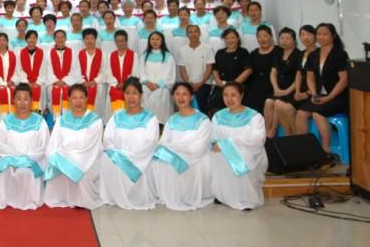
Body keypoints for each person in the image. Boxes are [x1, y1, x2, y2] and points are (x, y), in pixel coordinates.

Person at [150, 82, 213, 211]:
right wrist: (168, 149)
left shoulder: (202, 119)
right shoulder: (172, 119)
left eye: (185, 94)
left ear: (191, 97)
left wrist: (174, 150)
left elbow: (199, 146)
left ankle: (182, 195)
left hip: (195, 157)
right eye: (177, 94)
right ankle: (166, 194)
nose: (181, 97)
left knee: (171, 162)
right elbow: (163, 141)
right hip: (174, 153)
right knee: (156, 158)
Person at [100, 77, 160, 210]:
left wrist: (129, 157)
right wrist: (120, 156)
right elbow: (108, 140)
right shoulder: (116, 117)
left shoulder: (150, 118)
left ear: (141, 95)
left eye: (134, 93)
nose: (131, 97)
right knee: (104, 157)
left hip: (140, 161)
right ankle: (115, 194)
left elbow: (150, 143)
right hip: (119, 159)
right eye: (127, 93)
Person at [44, 84, 103, 209]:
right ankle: (62, 198)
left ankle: (81, 200)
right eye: (74, 98)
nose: (78, 101)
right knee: (56, 168)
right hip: (64, 160)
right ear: (69, 100)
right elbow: (53, 144)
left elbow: (91, 148)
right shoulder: (61, 120)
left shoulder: (95, 121)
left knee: (79, 173)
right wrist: (57, 158)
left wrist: (70, 159)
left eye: (81, 97)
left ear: (87, 99)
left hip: (87, 161)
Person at [210, 82, 268, 210]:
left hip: (248, 152)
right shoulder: (218, 116)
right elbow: (213, 138)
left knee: (236, 155)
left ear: (241, 96)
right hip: (223, 150)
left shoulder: (254, 117)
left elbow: (257, 140)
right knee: (211, 155)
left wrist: (229, 144)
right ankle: (222, 194)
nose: (229, 99)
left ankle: (246, 198)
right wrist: (216, 145)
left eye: (233, 95)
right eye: (225, 95)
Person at [0, 83, 50, 210]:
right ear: (13, 101)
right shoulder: (6, 122)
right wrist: (17, 159)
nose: (22, 103)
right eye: (19, 99)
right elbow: (0, 146)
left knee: (25, 172)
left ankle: (29, 200)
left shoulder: (40, 122)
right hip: (11, 160)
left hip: (33, 161)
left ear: (31, 101)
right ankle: (8, 199)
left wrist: (26, 160)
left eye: (26, 99)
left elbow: (43, 147)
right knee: (6, 170)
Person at [296, 23, 349, 154]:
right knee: (301, 113)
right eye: (319, 34)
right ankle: (304, 148)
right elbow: (310, 78)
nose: (321, 37)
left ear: (333, 36)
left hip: (337, 97)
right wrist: (314, 94)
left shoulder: (340, 54)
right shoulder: (313, 55)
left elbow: (344, 80)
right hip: (319, 95)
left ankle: (325, 150)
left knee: (317, 113)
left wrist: (329, 98)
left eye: (325, 34)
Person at [273, 26, 316, 135]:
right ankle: (288, 135)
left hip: (312, 92)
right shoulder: (302, 54)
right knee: (278, 103)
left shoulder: (318, 53)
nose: (305, 38)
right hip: (300, 91)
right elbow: (299, 74)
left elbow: (316, 79)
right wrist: (297, 91)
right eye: (303, 35)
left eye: (309, 35)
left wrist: (306, 93)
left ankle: (296, 136)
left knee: (287, 108)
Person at [138, 32, 176, 124]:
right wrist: (147, 83)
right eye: (152, 39)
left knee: (161, 94)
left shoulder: (168, 57)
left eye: (158, 39)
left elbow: (169, 75)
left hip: (162, 87)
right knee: (144, 93)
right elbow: (141, 72)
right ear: (149, 41)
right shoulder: (144, 56)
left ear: (162, 41)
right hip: (147, 86)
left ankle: (161, 124)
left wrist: (158, 85)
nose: (155, 41)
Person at [177, 25, 215, 115]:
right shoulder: (182, 50)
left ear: (200, 33)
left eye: (195, 31)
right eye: (190, 32)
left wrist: (201, 82)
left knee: (202, 103)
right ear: (187, 34)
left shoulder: (208, 48)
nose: (193, 34)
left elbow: (209, 68)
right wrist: (188, 83)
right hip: (189, 83)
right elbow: (182, 69)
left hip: (204, 83)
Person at [211, 29, 252, 112]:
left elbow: (248, 70)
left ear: (237, 38)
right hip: (222, 85)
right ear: (224, 40)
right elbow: (215, 70)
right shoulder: (220, 53)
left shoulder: (243, 52)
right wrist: (219, 82)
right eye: (227, 38)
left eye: (232, 37)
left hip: (239, 85)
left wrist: (234, 84)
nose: (230, 40)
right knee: (215, 103)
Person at [46, 30, 81, 120]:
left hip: (68, 84)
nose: (60, 39)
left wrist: (65, 81)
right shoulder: (48, 53)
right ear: (54, 39)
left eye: (62, 37)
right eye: (57, 37)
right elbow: (47, 70)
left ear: (66, 38)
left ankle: (68, 119)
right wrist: (56, 81)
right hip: (53, 84)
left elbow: (75, 70)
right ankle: (55, 120)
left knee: (68, 92)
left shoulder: (72, 53)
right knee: (52, 92)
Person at [245, 25, 281, 113]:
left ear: (271, 36)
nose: (262, 39)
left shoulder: (279, 51)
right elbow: (249, 72)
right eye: (259, 36)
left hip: (274, 85)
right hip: (256, 86)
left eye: (265, 36)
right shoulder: (253, 53)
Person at [0, 33, 18, 127]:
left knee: (13, 95)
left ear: (7, 42)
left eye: (4, 40)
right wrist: (3, 83)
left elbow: (17, 71)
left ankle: (12, 122)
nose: (2, 42)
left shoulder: (13, 55)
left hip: (11, 84)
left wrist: (13, 80)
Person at [106, 30, 138, 116]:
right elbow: (108, 72)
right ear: (115, 42)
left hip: (129, 86)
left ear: (126, 41)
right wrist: (116, 84)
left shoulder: (133, 55)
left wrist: (125, 84)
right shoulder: (111, 55)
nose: (120, 43)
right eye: (117, 41)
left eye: (122, 41)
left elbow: (135, 72)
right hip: (114, 85)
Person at [79, 28, 108, 120]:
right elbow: (76, 70)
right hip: (83, 84)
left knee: (98, 106)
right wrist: (83, 81)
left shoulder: (102, 54)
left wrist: (94, 81)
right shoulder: (79, 54)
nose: (89, 41)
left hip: (98, 84)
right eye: (87, 38)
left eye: (91, 38)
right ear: (84, 40)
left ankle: (98, 122)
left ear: (95, 39)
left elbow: (105, 71)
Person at [16, 30, 47, 113]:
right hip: (25, 83)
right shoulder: (20, 53)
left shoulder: (42, 52)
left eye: (34, 38)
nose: (32, 40)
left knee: (40, 94)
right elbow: (19, 69)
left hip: (39, 83)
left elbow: (44, 69)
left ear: (37, 39)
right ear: (26, 39)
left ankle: (38, 118)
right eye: (29, 38)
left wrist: (38, 82)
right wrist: (27, 82)